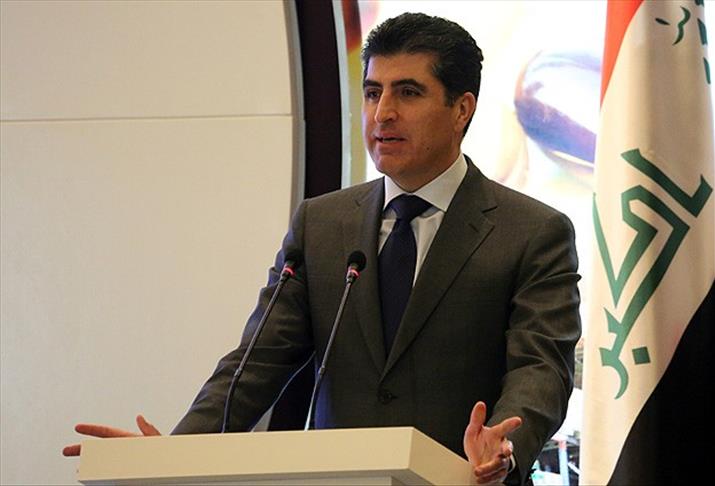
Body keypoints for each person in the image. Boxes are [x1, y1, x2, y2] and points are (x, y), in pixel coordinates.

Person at [64, 13, 580, 485]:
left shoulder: (532, 232)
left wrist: (503, 444)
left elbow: (541, 369)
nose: (383, 113)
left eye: (408, 93)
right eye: (373, 92)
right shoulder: (323, 224)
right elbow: (256, 363)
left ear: (461, 109)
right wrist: (172, 455)